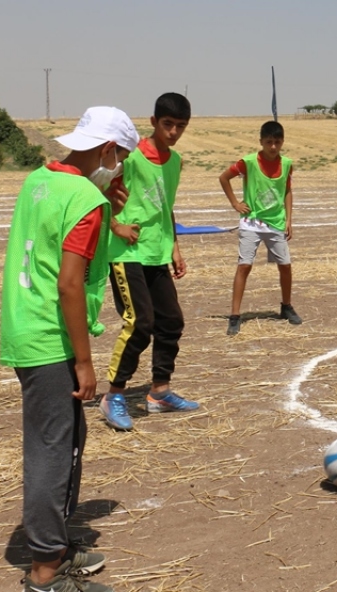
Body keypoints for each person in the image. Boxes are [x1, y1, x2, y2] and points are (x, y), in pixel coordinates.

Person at [1, 106, 140, 592]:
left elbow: (49, 243)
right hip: (50, 338)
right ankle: (45, 572)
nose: (121, 167)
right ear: (107, 150)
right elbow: (69, 284)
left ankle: (57, 543)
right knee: (52, 452)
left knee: (67, 441)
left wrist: (106, 207)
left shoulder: (40, 179)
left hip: (26, 327)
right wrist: (84, 362)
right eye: (121, 157)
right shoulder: (85, 199)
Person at [99, 93, 196, 432]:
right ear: (153, 122)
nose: (173, 132)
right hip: (126, 253)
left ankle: (159, 392)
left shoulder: (175, 161)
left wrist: (175, 248)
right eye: (168, 124)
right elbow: (99, 194)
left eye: (180, 126)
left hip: (156, 251)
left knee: (171, 322)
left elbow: (165, 205)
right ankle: (113, 395)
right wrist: (116, 226)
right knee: (140, 322)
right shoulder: (132, 156)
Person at [219, 120, 302, 336]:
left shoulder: (287, 164)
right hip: (252, 222)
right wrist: (235, 203)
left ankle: (286, 306)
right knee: (244, 265)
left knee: (285, 265)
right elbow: (224, 178)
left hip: (276, 222)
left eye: (277, 142)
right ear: (261, 142)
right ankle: (235, 315)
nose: (273, 147)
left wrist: (289, 220)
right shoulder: (248, 162)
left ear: (282, 142)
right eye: (268, 142)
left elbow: (288, 191)